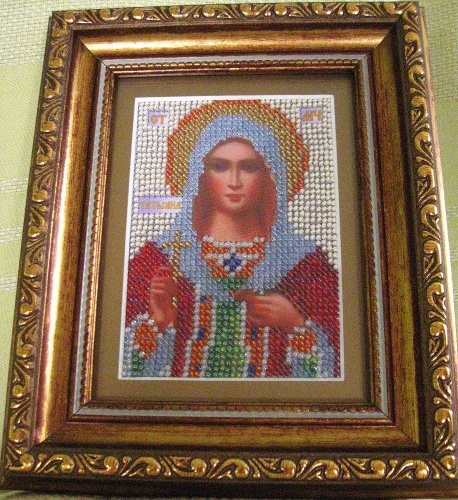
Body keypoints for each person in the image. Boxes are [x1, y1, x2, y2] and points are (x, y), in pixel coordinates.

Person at [122, 100, 339, 378]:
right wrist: (159, 321)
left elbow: (339, 371)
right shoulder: (159, 259)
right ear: (200, 175)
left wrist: (294, 323)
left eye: (249, 167)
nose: (234, 181)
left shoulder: (306, 266)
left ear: (269, 176)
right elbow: (120, 374)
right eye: (220, 166)